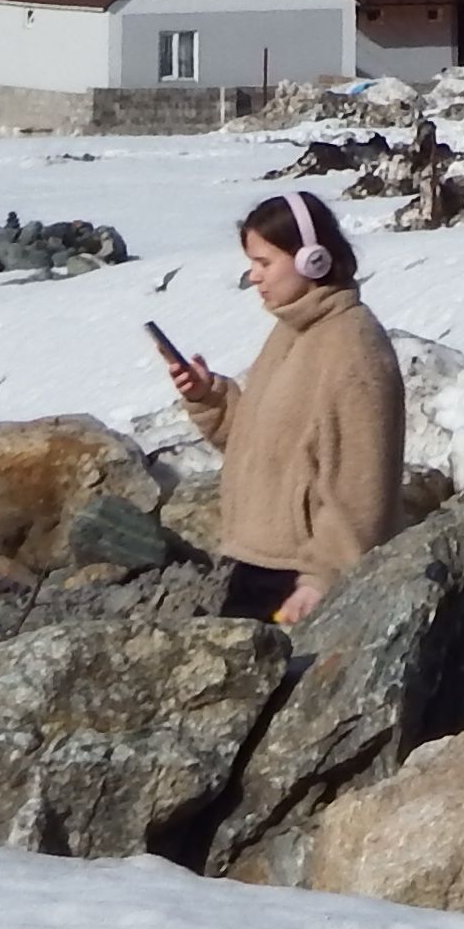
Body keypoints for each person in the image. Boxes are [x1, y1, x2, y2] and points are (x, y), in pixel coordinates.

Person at [164, 188, 403, 624]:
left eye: (264, 263)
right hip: (255, 566)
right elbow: (264, 444)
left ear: (312, 258)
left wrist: (321, 580)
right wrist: (209, 398)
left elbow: (360, 487)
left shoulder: (353, 350)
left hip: (297, 585)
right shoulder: (293, 332)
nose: (253, 277)